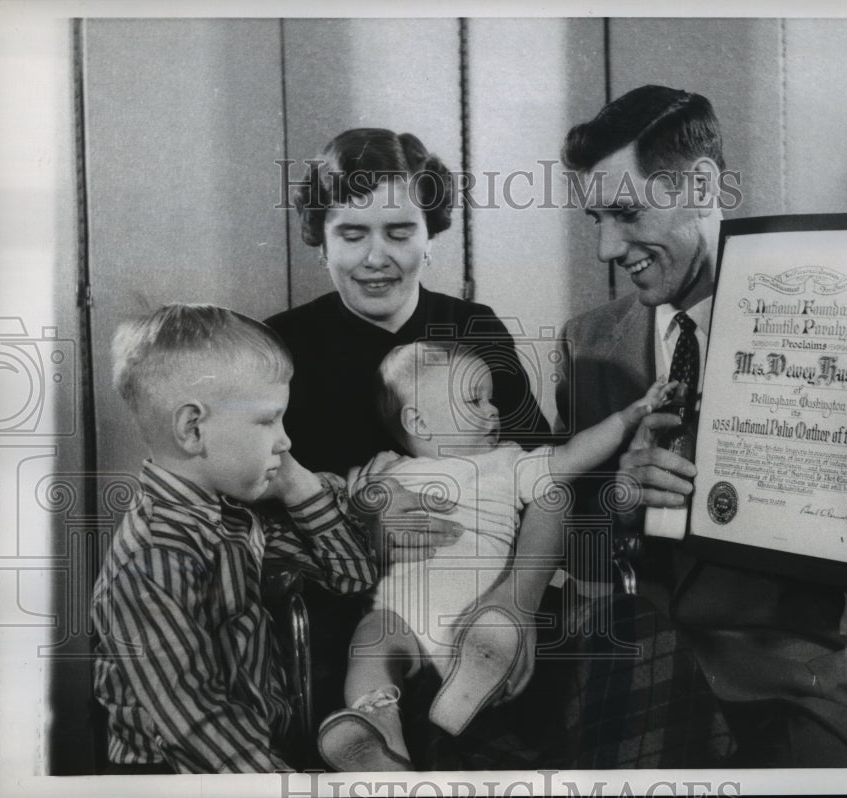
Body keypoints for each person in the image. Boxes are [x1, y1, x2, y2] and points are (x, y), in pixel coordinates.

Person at [536, 84, 847, 766]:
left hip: (801, 688)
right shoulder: (587, 345)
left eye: (625, 212)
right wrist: (619, 496)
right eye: (595, 219)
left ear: (701, 183)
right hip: (634, 677)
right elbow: (563, 554)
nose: (606, 247)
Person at [266, 128, 561, 767]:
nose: (378, 257)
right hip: (350, 615)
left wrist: (517, 605)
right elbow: (255, 513)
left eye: (400, 232)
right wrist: (355, 525)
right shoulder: (280, 346)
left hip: (490, 587)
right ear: (320, 240)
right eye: (352, 234)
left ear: (431, 234)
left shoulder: (474, 328)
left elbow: (549, 476)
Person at [315, 340, 674, 771]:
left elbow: (571, 457)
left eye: (490, 398)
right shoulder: (386, 469)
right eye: (473, 400)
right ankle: (379, 729)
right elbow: (338, 506)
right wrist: (369, 508)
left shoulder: (508, 462)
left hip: (483, 607)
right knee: (370, 641)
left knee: (488, 636)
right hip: (404, 615)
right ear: (418, 421)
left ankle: (476, 677)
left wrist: (627, 417)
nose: (493, 411)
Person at [90, 304, 379, 773]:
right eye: (268, 421)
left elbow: (352, 577)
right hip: (181, 774)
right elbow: (195, 722)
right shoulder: (153, 556)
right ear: (193, 428)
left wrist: (298, 486)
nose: (285, 442)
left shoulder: (234, 518)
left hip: (253, 758)